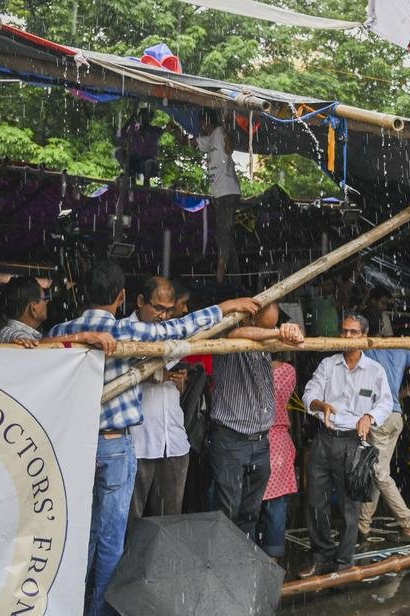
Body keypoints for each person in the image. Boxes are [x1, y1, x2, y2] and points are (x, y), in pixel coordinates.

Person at [47, 260, 258, 616]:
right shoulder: (128, 333)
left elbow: (34, 351)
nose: (161, 314)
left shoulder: (60, 332)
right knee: (112, 537)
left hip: (73, 447)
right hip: (115, 446)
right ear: (124, 297)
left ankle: (65, 614)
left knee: (78, 532)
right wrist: (227, 306)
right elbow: (184, 326)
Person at [299, 314, 394, 578]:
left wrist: (369, 416)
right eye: (344, 332)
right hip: (324, 440)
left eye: (354, 333)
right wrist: (321, 405)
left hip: (353, 443)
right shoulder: (328, 365)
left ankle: (343, 563)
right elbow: (309, 393)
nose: (347, 337)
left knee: (349, 507)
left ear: (364, 336)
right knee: (316, 502)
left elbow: (385, 403)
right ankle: (321, 557)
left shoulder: (375, 371)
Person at [210, 302, 305, 543]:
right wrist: (277, 332)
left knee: (250, 511)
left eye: (273, 326)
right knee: (228, 510)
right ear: (247, 320)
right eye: (264, 327)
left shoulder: (265, 348)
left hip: (260, 441)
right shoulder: (229, 336)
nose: (269, 332)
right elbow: (235, 334)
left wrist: (283, 333)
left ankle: (244, 560)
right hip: (232, 440)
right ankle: (226, 562)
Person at [130, 277, 197, 520]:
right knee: (131, 526)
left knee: (168, 524)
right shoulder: (123, 332)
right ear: (140, 301)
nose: (165, 316)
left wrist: (179, 383)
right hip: (138, 442)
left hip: (174, 441)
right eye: (159, 308)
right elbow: (120, 374)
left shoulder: (175, 332)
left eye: (169, 310)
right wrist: (153, 374)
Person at [360, 342, 410, 541]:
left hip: (378, 417)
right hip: (396, 416)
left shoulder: (366, 348)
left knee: (379, 473)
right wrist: (401, 395)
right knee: (377, 470)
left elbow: (363, 390)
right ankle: (363, 523)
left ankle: (409, 523)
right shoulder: (402, 348)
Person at [0, 276, 116, 352]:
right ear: (33, 307)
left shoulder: (10, 332)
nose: (47, 301)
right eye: (44, 298)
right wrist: (83, 336)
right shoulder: (11, 334)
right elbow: (36, 347)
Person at [190, 110, 241, 284]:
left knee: (223, 234)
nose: (199, 127)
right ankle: (235, 277)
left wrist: (226, 126)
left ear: (206, 121)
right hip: (220, 194)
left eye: (200, 123)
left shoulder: (219, 132)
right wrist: (175, 131)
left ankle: (220, 276)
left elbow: (229, 148)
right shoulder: (207, 140)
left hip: (227, 192)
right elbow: (189, 142)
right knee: (227, 234)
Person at [257, 352, 298, 559]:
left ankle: (259, 550)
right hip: (276, 439)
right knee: (275, 502)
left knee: (263, 501)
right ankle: (272, 552)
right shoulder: (289, 371)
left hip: (262, 437)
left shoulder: (257, 369)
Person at [116, 106, 168, 187]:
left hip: (147, 161)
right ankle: (130, 176)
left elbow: (165, 129)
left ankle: (146, 181)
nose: (143, 119)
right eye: (141, 117)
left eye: (146, 117)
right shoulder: (134, 129)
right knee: (119, 152)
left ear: (150, 119)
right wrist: (130, 121)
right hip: (134, 160)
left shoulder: (154, 130)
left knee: (149, 163)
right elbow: (121, 135)